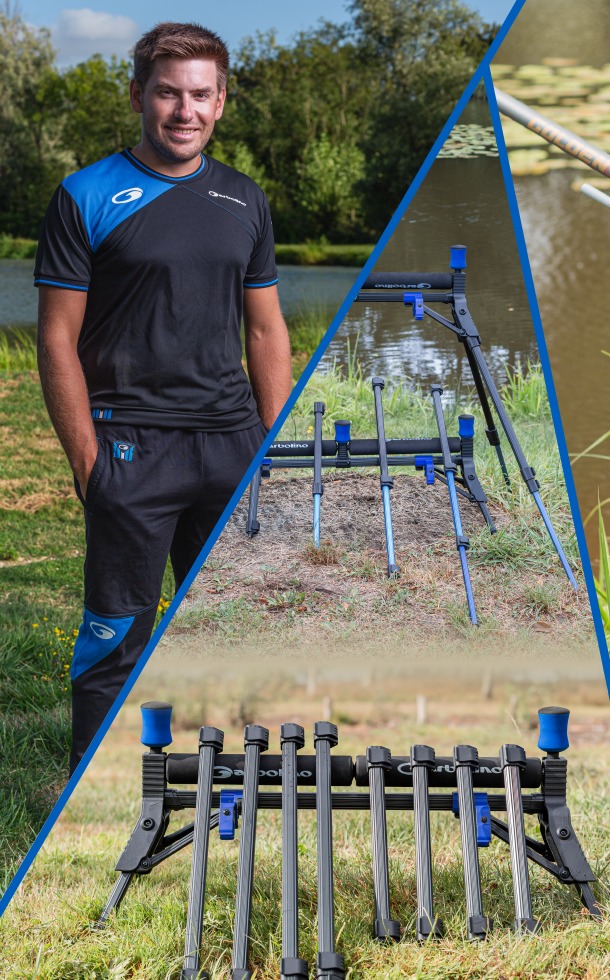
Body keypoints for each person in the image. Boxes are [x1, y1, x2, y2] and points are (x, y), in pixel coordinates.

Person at [34, 22, 292, 770]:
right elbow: (56, 339)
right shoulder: (85, 195)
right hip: (131, 446)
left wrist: (272, 450)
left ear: (222, 102)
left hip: (232, 446)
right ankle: (100, 786)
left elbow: (268, 331)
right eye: (169, 93)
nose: (185, 110)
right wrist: (88, 462)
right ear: (139, 94)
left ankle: (238, 784)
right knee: (116, 634)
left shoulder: (245, 199)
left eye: (201, 95)